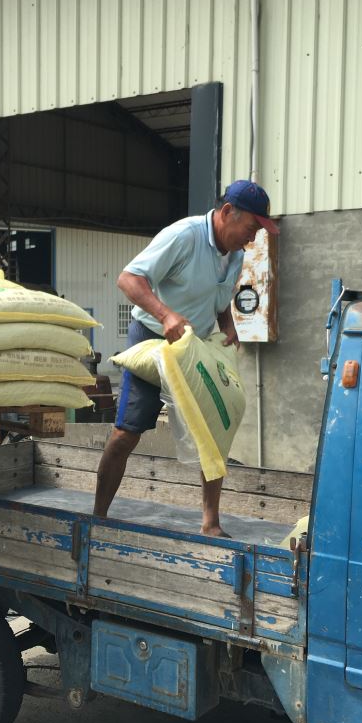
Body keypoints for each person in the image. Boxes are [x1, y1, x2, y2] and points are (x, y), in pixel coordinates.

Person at [94, 180, 279, 536]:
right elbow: (128, 279)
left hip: (199, 343)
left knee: (216, 428)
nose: (253, 239)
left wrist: (228, 323)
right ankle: (97, 517)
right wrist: (166, 315)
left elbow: (219, 297)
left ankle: (210, 523)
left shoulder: (236, 252)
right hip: (154, 339)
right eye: (251, 229)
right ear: (227, 213)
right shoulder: (184, 236)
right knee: (126, 434)